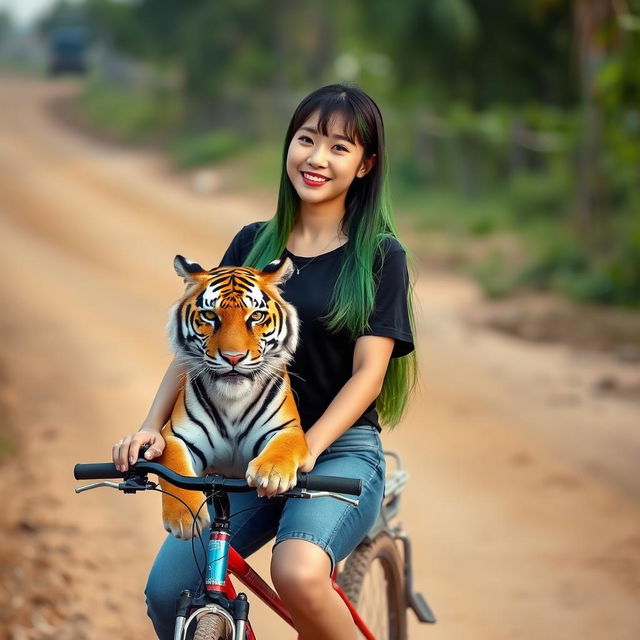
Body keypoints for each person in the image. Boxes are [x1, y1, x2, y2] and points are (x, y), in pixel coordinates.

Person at [112, 83, 417, 640]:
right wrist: (150, 429)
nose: (316, 158)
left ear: (366, 165)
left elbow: (369, 374)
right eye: (306, 139)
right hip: (241, 452)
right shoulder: (252, 242)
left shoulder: (380, 256)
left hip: (336, 450)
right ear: (288, 146)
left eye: (339, 147)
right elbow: (194, 351)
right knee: (167, 593)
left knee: (297, 573)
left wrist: (304, 450)